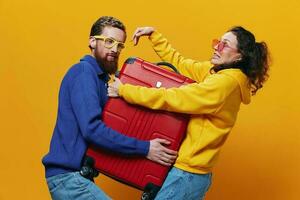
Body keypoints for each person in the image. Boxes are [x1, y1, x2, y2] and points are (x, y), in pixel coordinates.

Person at [108, 26, 270, 199]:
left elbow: (173, 98)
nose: (216, 47)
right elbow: (182, 64)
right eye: (217, 42)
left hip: (188, 174)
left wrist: (124, 90)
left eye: (225, 45)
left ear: (239, 56)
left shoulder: (225, 84)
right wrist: (154, 36)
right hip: (191, 172)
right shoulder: (218, 73)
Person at [42, 17, 177, 200]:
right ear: (92, 41)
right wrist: (146, 148)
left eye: (120, 45)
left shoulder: (101, 80)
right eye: (109, 42)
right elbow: (93, 130)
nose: (115, 49)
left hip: (76, 177)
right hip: (68, 178)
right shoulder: (84, 73)